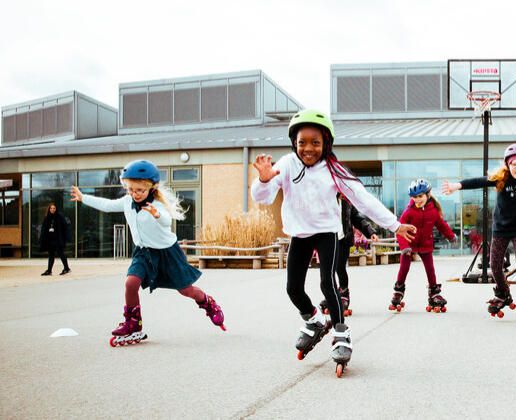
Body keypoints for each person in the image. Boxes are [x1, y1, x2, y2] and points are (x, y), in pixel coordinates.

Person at [250, 109, 416, 376]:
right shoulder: (287, 163)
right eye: (302, 142)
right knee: (293, 288)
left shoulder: (333, 169)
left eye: (315, 143)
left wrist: (395, 225)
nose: (308, 148)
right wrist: (263, 179)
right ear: (294, 142)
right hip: (299, 234)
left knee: (328, 283)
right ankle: (314, 321)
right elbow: (264, 197)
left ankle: (341, 333)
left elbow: (363, 199)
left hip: (327, 232)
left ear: (326, 143)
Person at [71, 160, 224, 347]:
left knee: (186, 290)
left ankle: (209, 303)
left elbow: (167, 221)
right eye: (131, 190)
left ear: (151, 188)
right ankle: (133, 323)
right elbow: (107, 205)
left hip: (168, 252)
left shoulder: (157, 204)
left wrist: (157, 215)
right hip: (144, 252)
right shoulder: (127, 202)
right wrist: (82, 197)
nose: (134, 194)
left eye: (139, 190)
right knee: (131, 282)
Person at [442, 143, 516, 327]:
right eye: (514, 164)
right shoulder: (501, 178)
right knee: (494, 264)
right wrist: (456, 186)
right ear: (508, 165)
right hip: (500, 228)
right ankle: (503, 293)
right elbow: (478, 181)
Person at [390, 179, 457, 313]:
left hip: (426, 244)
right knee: (404, 268)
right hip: (409, 244)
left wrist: (451, 236)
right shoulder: (409, 212)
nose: (417, 199)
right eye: (415, 197)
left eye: (420, 196)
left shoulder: (433, 211)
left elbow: (441, 225)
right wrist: (404, 247)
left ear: (428, 195)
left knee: (430, 270)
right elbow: (399, 230)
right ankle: (398, 292)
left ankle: (434, 293)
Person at [319, 196, 378, 317]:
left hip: (343, 240)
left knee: (340, 268)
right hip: (327, 239)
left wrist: (370, 231)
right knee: (327, 270)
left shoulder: (347, 202)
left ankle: (344, 294)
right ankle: (331, 294)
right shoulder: (326, 198)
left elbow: (357, 219)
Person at [38, 203, 71, 276]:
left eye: (54, 208)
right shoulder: (46, 218)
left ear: (56, 209)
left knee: (60, 253)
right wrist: (41, 239)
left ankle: (66, 268)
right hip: (50, 239)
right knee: (51, 255)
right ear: (49, 209)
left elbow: (65, 227)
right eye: (51, 208)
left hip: (57, 239)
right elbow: (43, 229)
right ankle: (49, 270)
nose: (52, 210)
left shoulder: (60, 217)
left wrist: (67, 237)